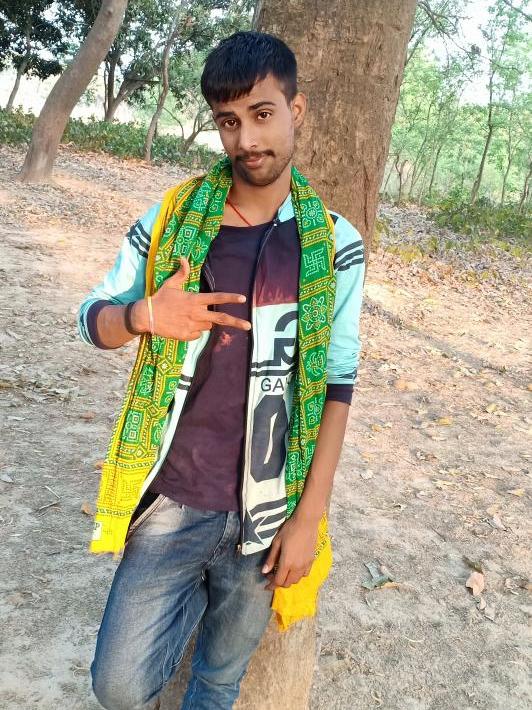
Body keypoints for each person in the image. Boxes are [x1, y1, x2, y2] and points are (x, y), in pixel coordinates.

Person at [78, 30, 365, 710]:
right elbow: (92, 317)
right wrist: (145, 315)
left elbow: (338, 384)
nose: (247, 140)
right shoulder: (175, 221)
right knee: (117, 686)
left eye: (263, 114)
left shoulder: (334, 243)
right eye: (229, 121)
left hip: (270, 512)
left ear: (297, 110)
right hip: (174, 498)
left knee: (218, 681)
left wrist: (309, 515)